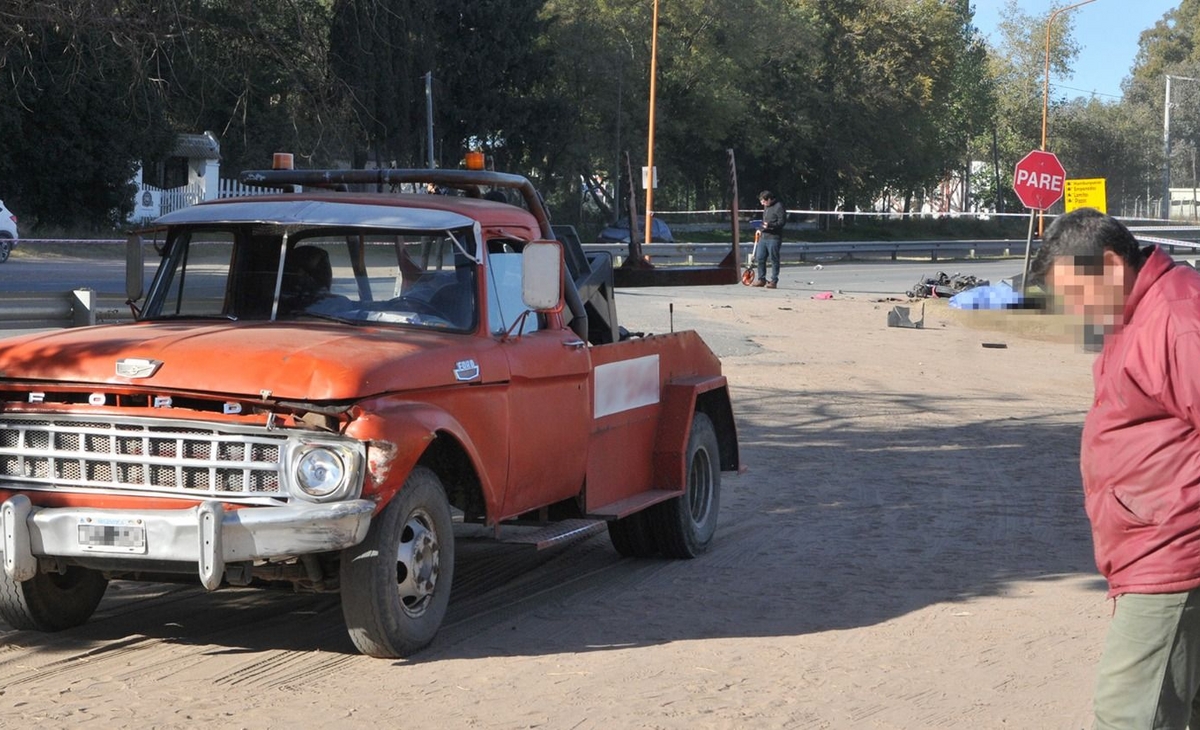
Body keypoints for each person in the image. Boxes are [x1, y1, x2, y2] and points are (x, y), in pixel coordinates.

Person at [1030, 207, 1200, 730]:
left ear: (1108, 264)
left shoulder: (1177, 318)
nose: (1071, 310)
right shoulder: (1137, 311)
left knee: (1129, 714)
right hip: (1149, 549)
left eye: (1073, 293)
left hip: (1172, 553)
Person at [753, 190, 785, 289]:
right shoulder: (766, 207)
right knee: (760, 257)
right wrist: (760, 228)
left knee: (774, 259)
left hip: (774, 238)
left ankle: (774, 281)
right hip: (763, 237)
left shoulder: (779, 206)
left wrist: (769, 225)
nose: (762, 204)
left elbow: (781, 222)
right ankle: (761, 279)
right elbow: (764, 221)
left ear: (769, 199)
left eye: (764, 201)